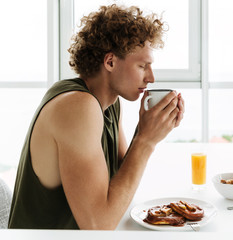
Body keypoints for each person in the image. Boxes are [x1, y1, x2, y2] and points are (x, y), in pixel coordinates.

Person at [8, 4, 184, 230]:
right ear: (110, 62)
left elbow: (119, 186)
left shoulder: (109, 103)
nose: (151, 77)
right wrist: (146, 141)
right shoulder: (77, 106)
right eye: (142, 66)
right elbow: (98, 226)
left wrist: (146, 131)